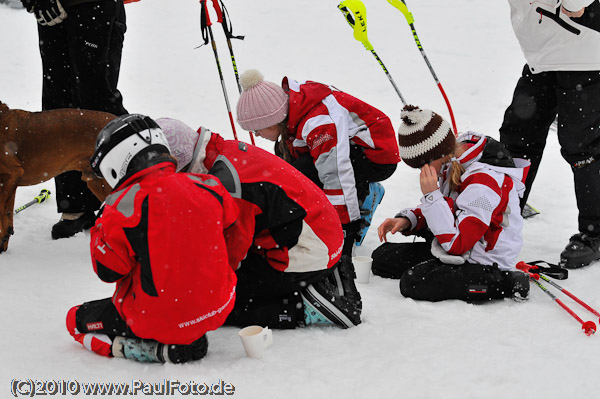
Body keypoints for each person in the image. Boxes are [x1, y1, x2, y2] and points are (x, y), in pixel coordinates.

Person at [66, 115, 241, 363]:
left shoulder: (121, 206)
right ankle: (186, 326)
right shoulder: (208, 184)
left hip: (155, 319)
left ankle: (156, 350)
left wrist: (101, 224)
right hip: (219, 306)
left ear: (115, 162)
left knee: (74, 320)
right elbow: (233, 231)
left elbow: (109, 271)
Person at [157, 117, 362, 329]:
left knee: (222, 303)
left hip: (311, 248)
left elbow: (233, 250)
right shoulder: (222, 150)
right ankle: (320, 278)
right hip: (322, 230)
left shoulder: (225, 183)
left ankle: (304, 308)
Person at [373, 106, 530, 302]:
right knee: (381, 259)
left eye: (421, 165)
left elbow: (458, 242)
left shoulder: (483, 182)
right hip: (459, 245)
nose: (421, 171)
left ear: (435, 154)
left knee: (413, 283)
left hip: (482, 258)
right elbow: (449, 208)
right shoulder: (451, 162)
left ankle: (504, 282)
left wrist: (431, 195)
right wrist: (410, 220)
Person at [235, 69, 400, 254]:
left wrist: (341, 230)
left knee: (305, 174)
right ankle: (357, 193)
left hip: (377, 154)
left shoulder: (319, 122)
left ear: (272, 123)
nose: (257, 136)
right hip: (347, 145)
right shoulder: (294, 106)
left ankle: (361, 198)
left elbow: (336, 173)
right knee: (290, 168)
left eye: (257, 131)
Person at [500, 0, 600, 269]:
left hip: (582, 53)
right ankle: (500, 212)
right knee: (517, 136)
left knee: (581, 145)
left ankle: (595, 231)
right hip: (542, 53)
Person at [20, 0, 129, 239]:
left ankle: (133, 197)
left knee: (98, 103)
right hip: (49, 12)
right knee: (57, 109)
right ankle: (75, 205)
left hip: (92, 7)